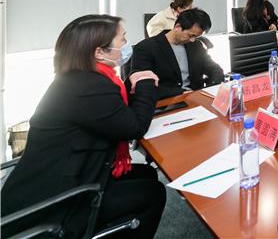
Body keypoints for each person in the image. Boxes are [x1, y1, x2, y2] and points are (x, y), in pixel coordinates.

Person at [1, 15, 165, 238]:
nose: (127, 44)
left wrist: (132, 83)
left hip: (75, 170)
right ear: (99, 52)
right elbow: (133, 127)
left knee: (147, 173)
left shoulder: (82, 78)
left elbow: (113, 109)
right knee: (153, 193)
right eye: (123, 39)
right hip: (61, 196)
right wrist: (146, 84)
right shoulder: (88, 86)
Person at [130, 8, 223, 99]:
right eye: (191, 35)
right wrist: (181, 92)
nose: (193, 40)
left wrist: (212, 86)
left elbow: (214, 69)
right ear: (177, 27)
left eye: (197, 37)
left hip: (195, 97)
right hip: (167, 100)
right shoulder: (146, 48)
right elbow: (144, 86)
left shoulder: (196, 45)